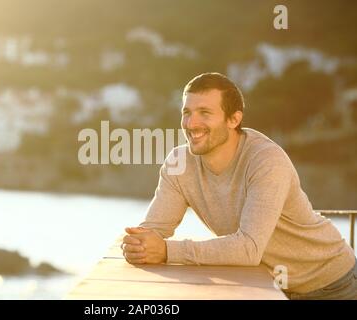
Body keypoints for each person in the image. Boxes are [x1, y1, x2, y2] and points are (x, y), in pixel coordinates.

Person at [121, 72, 357, 300]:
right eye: (187, 112)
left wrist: (166, 251)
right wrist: (138, 245)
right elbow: (152, 230)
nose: (191, 123)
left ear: (234, 119)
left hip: (332, 285)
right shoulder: (179, 163)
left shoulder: (266, 160)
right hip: (267, 288)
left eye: (204, 113)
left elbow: (249, 248)